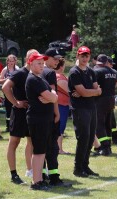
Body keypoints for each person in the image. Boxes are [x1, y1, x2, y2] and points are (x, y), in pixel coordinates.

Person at [2, 50, 36, 185]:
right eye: (34, 58)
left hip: (32, 113)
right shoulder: (20, 73)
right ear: (28, 59)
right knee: (14, 143)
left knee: (32, 142)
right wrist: (16, 102)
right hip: (19, 113)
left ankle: (31, 169)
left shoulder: (35, 73)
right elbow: (5, 87)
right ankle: (13, 174)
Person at [25, 53, 58, 190]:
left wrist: (51, 96)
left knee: (42, 150)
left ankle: (39, 179)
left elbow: (54, 95)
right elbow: (52, 96)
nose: (41, 65)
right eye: (38, 63)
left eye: (42, 63)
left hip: (45, 118)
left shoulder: (41, 78)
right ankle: (36, 181)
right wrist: (51, 96)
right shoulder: (33, 79)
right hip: (37, 119)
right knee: (38, 151)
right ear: (31, 64)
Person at [68, 46, 102, 176]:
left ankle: (85, 166)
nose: (84, 58)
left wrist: (90, 92)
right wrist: (92, 92)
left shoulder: (91, 71)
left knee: (90, 138)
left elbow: (97, 91)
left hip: (91, 107)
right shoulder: (74, 72)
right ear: (77, 56)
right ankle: (78, 168)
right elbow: (84, 92)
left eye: (86, 56)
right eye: (82, 56)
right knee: (83, 137)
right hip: (80, 109)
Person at [42, 48, 71, 187]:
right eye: (55, 59)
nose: (57, 61)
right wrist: (57, 113)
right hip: (48, 114)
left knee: (41, 147)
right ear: (46, 58)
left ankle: (41, 175)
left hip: (37, 114)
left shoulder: (34, 72)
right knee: (52, 148)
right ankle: (53, 177)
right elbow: (53, 96)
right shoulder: (49, 73)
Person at [93, 54, 117, 156]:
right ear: (106, 62)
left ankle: (104, 148)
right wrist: (112, 87)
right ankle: (108, 146)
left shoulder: (97, 71)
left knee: (99, 124)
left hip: (100, 100)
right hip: (111, 100)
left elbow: (92, 84)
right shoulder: (112, 71)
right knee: (107, 124)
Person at [0, 54, 19, 132]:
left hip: (15, 91)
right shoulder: (5, 70)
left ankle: (16, 124)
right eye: (9, 61)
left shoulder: (17, 69)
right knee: (8, 108)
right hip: (7, 91)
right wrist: (6, 79)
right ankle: (8, 126)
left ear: (15, 62)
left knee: (16, 106)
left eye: (12, 61)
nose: (10, 63)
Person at [54, 57, 70, 155]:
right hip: (61, 105)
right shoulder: (58, 77)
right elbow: (69, 90)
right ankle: (59, 149)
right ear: (61, 66)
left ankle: (58, 148)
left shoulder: (58, 76)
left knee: (60, 127)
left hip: (63, 104)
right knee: (60, 127)